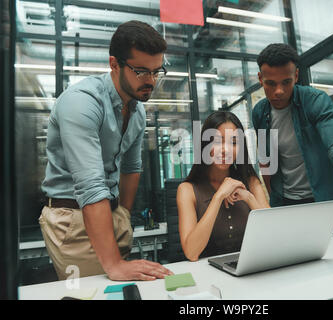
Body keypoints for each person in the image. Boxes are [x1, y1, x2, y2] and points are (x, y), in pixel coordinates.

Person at [40, 20, 173, 280]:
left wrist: (122, 214)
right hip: (73, 221)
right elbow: (90, 186)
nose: (151, 81)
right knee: (94, 295)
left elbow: (132, 168)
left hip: (110, 216)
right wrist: (113, 263)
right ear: (114, 64)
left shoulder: (137, 110)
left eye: (157, 71)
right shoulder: (81, 102)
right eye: (141, 71)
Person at [252, 43, 333, 250]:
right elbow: (266, 160)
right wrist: (273, 201)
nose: (279, 91)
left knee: (332, 258)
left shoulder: (315, 101)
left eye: (286, 82)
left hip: (322, 203)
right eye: (270, 83)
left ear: (296, 76)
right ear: (260, 79)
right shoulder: (259, 112)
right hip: (285, 206)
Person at [177, 111, 270, 261]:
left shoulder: (251, 182)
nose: (225, 150)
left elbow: (274, 234)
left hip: (250, 269)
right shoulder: (187, 190)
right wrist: (218, 196)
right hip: (208, 275)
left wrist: (249, 197)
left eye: (233, 143)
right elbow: (191, 252)